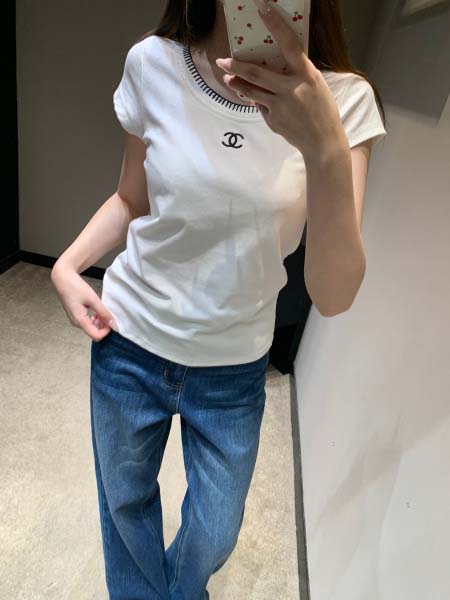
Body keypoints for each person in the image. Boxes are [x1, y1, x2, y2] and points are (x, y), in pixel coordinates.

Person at [51, 0, 387, 598]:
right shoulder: (152, 63)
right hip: (129, 341)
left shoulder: (343, 99)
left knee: (215, 532)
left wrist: (325, 146)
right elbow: (131, 199)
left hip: (233, 367)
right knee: (124, 505)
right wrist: (67, 265)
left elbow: (334, 296)